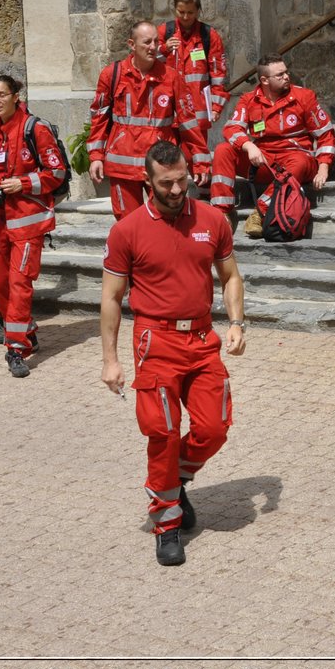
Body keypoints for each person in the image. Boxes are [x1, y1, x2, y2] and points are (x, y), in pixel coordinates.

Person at [101, 140, 246, 567]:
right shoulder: (126, 230)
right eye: (167, 183)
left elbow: (231, 275)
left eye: (183, 179)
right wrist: (110, 360)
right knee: (162, 433)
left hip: (202, 340)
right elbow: (111, 299)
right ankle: (167, 523)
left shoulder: (212, 220)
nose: (178, 188)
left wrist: (237, 323)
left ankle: (174, 481)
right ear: (147, 182)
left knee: (215, 427)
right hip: (155, 341)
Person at [0, 75, 67, 378]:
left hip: (27, 222)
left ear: (16, 96)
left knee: (19, 283)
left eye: (2, 95)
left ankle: (16, 349)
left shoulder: (34, 128)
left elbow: (56, 172)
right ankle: (27, 330)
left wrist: (23, 183)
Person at [87, 19, 207, 221]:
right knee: (128, 225)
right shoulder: (112, 75)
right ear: (131, 45)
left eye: (156, 42)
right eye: (146, 42)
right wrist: (96, 156)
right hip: (122, 164)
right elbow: (99, 118)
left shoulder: (171, 77)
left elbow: (188, 122)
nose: (153, 47)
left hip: (161, 165)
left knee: (165, 219)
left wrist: (201, 159)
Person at [209, 56, 335, 238]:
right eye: (280, 74)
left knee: (299, 162)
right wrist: (248, 146)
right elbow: (232, 128)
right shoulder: (249, 99)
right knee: (223, 150)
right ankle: (222, 213)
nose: (286, 77)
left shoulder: (304, 97)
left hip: (296, 158)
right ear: (264, 80)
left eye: (286, 72)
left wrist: (323, 167)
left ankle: (260, 212)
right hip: (265, 160)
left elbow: (326, 134)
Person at [161, 0, 229, 147]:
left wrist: (216, 107)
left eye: (190, 12)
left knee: (196, 157)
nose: (185, 17)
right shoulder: (164, 32)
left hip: (196, 111)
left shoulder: (209, 35)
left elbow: (218, 74)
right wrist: (163, 49)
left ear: (198, 10)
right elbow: (147, 63)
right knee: (166, 158)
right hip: (168, 109)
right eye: (181, 12)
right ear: (175, 9)